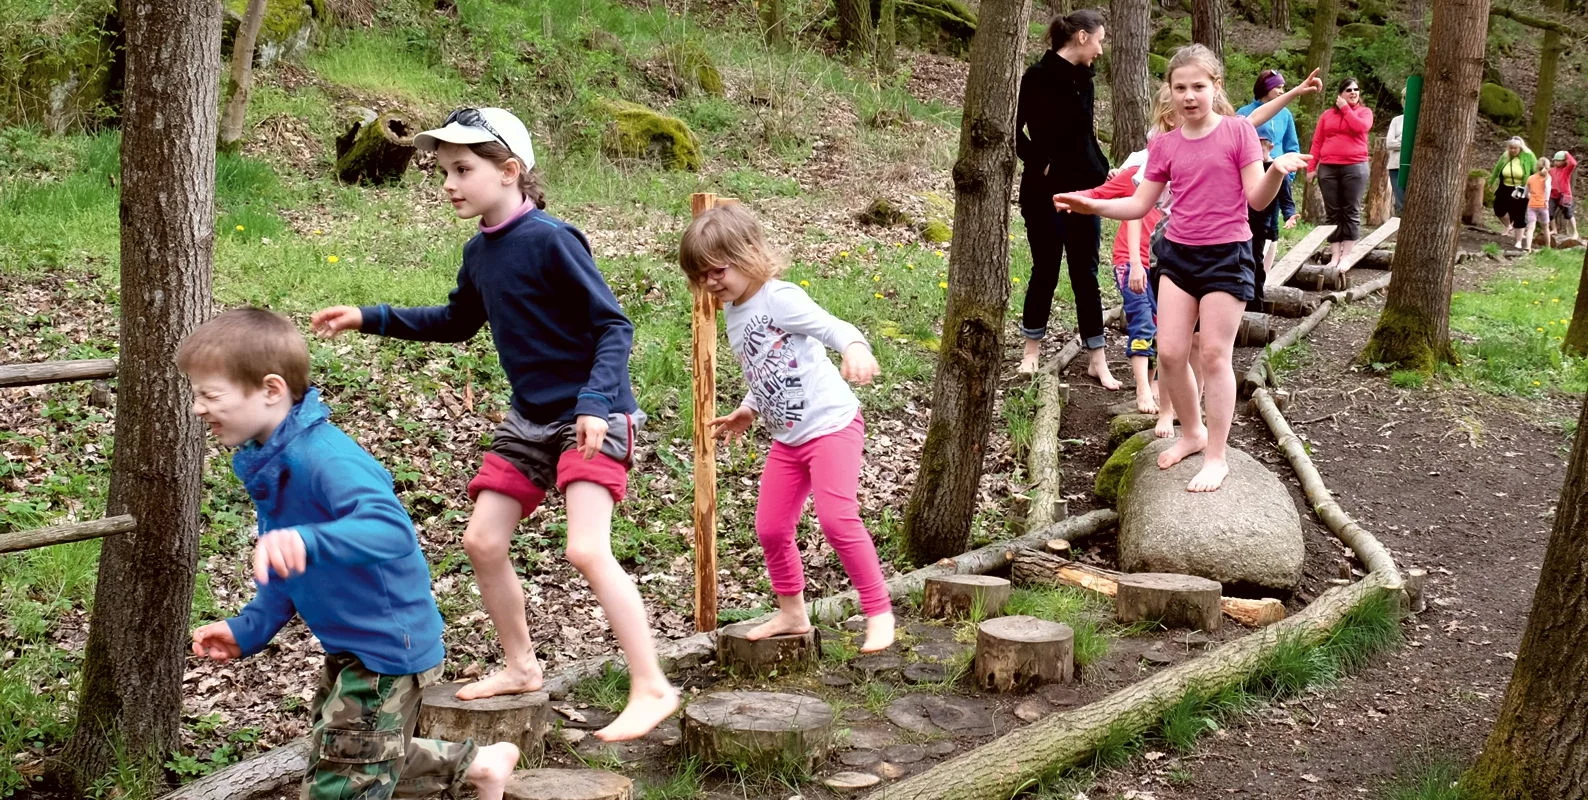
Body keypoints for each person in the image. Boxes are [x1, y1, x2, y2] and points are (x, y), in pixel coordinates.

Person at [311, 107, 677, 742]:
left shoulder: (554, 239)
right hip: (531, 419)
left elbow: (614, 326)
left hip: (593, 414)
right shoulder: (479, 252)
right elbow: (456, 323)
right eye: (443, 171)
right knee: (483, 541)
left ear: (510, 171)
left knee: (586, 548)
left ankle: (652, 686)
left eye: (462, 169)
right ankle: (521, 665)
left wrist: (594, 403)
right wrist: (369, 316)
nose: (449, 183)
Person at [181, 308, 522, 800]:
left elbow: (390, 530)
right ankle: (480, 765)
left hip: (386, 648)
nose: (198, 408)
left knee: (342, 776)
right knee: (348, 750)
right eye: (196, 395)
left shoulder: (323, 457)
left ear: (271, 390)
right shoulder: (268, 459)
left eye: (210, 395)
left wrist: (308, 539)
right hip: (352, 645)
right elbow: (285, 565)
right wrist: (250, 628)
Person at [1055, 45, 1311, 492]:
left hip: (1227, 256)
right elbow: (1139, 202)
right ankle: (1192, 433)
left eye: (1198, 86)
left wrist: (1277, 171)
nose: (1189, 95)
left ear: (1216, 87)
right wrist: (1090, 203)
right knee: (1170, 353)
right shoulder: (1165, 144)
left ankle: (1217, 454)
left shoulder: (1237, 133)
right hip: (1177, 255)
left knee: (1214, 354)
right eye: (1180, 87)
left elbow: (1255, 199)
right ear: (1169, 93)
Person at [678, 205, 895, 653]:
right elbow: (769, 369)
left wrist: (855, 349)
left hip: (832, 427)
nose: (710, 283)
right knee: (771, 528)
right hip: (788, 440)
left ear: (747, 254)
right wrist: (747, 409)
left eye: (716, 270)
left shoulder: (780, 298)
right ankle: (792, 612)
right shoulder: (735, 313)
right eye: (700, 276)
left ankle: (879, 612)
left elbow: (834, 327)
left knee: (837, 520)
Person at [1014, 8, 1118, 388]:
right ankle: (1030, 352)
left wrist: (1100, 167)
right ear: (1082, 37)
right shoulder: (1035, 77)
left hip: (1084, 193)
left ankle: (1097, 359)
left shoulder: (1085, 81)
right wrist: (1038, 161)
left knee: (1085, 275)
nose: (1101, 51)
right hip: (1043, 192)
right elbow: (1012, 127)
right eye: (1101, 41)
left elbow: (1085, 137)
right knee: (1045, 269)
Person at [1077, 149, 1165, 415]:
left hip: (1167, 260)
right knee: (1143, 321)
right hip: (1131, 260)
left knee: (1164, 326)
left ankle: (1154, 384)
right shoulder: (1138, 171)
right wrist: (1071, 197)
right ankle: (1142, 389)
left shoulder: (1188, 171)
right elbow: (1099, 193)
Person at [1236, 69, 1302, 269]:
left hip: (1277, 174)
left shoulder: (1285, 114)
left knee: (1272, 226)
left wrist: (1289, 174)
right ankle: (1249, 267)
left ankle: (1266, 271)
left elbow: (1292, 145)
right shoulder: (1243, 113)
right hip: (1251, 175)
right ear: (1266, 88)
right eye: (1278, 87)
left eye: (1283, 87)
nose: (1282, 91)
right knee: (1253, 224)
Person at [1308, 77, 1373, 267]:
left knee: (1351, 209)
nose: (1353, 92)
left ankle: (1347, 256)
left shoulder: (1364, 112)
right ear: (1340, 94)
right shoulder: (1327, 115)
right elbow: (1317, 141)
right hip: (1328, 167)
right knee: (1333, 212)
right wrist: (1311, 168)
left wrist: (1346, 109)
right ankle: (1335, 255)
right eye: (1348, 90)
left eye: (1356, 89)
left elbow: (1361, 128)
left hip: (1355, 166)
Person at [1489, 137, 1536, 248]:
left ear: (1520, 147)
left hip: (1520, 188)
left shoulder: (1528, 155)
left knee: (1519, 213)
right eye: (1511, 148)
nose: (1513, 150)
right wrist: (1491, 182)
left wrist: (1533, 188)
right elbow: (1497, 169)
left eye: (1515, 148)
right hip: (1504, 186)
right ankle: (1508, 226)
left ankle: (1518, 241)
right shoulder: (1505, 156)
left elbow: (1535, 171)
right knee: (1498, 209)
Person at [1525, 157, 1553, 252]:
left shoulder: (1530, 178)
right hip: (1543, 206)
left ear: (1536, 167)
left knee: (1530, 227)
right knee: (1545, 227)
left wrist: (1529, 196)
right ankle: (1548, 246)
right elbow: (1548, 189)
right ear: (1548, 167)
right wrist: (1546, 200)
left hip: (1532, 205)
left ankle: (1528, 247)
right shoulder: (1548, 178)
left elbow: (1526, 192)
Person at [1551, 150, 1578, 241]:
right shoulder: (1551, 170)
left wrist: (1567, 154)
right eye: (1555, 160)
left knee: (1568, 214)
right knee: (1550, 213)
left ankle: (1575, 232)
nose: (1556, 162)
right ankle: (1554, 230)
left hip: (1565, 195)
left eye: (1559, 160)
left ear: (1564, 161)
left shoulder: (1566, 170)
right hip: (1553, 195)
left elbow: (1573, 163)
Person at [1386, 93, 1406, 215]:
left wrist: (1399, 139)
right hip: (1395, 166)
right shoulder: (1397, 120)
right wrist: (1406, 140)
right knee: (1400, 204)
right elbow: (1389, 144)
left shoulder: (1421, 120)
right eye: (1404, 97)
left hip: (1413, 166)